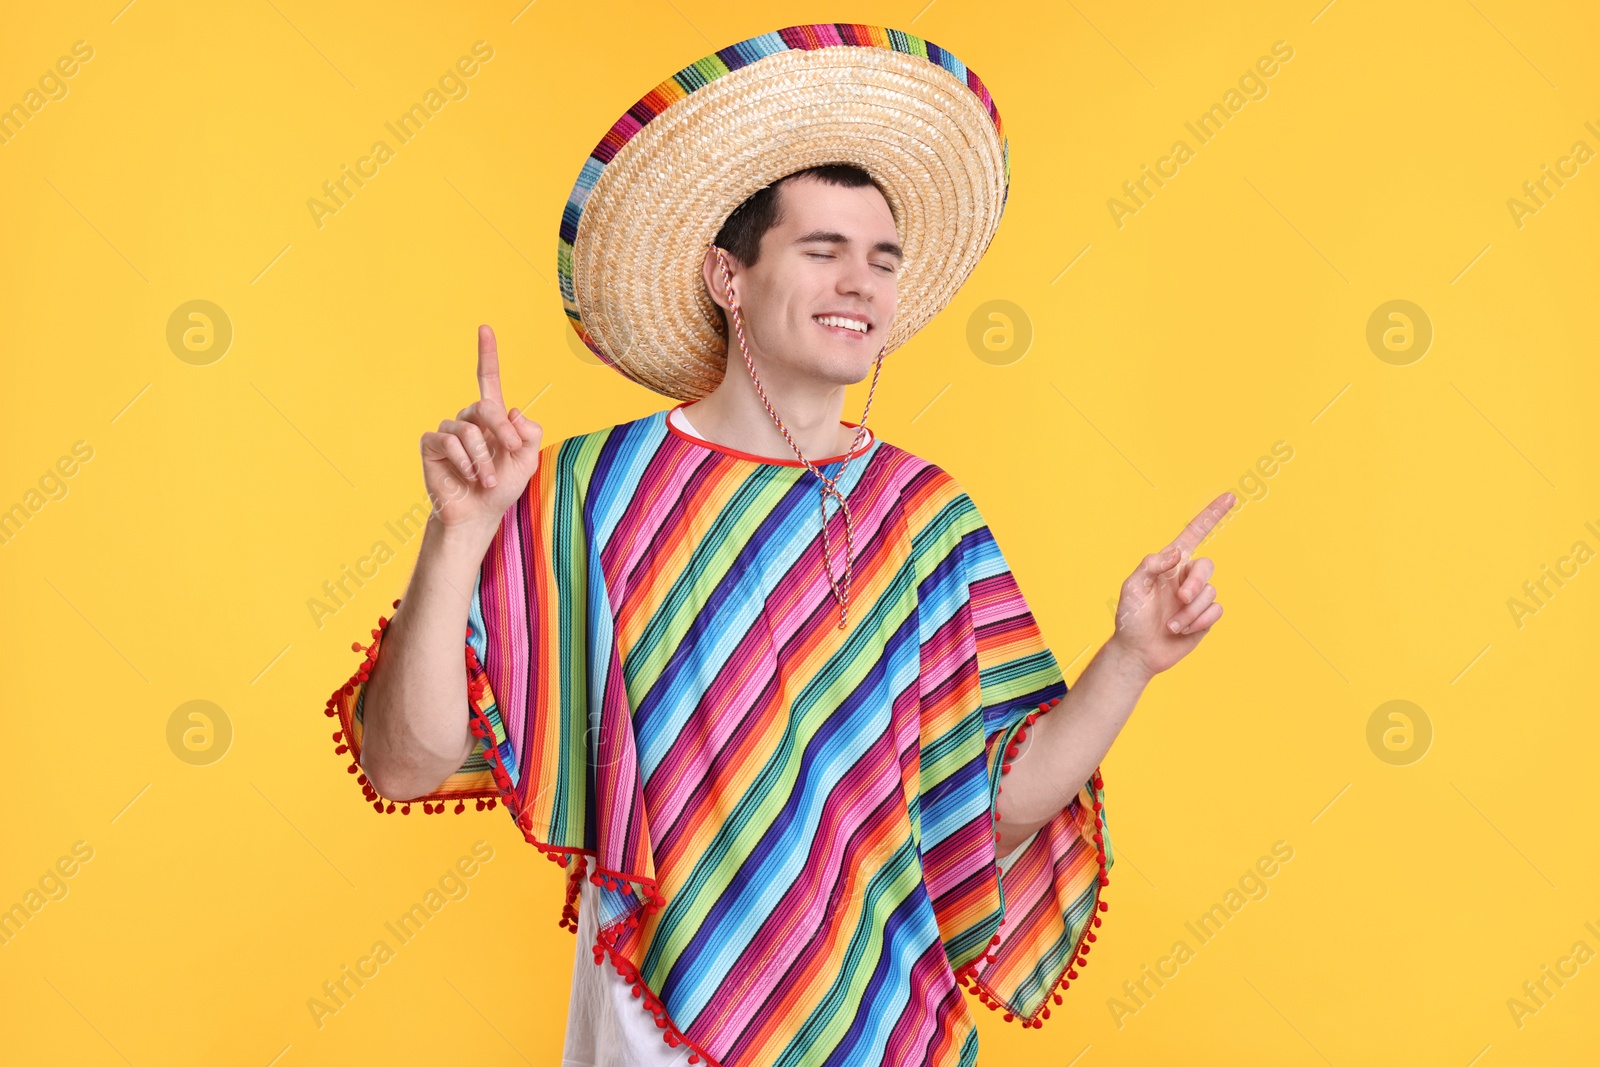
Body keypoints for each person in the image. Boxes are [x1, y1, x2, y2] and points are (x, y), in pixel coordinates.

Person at [320, 23, 1232, 1067]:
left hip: (883, 1028)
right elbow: (405, 758)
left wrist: (1129, 660)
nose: (860, 281)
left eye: (882, 259)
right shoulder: (588, 493)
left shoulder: (925, 518)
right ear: (727, 274)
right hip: (658, 1030)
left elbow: (991, 814)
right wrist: (458, 533)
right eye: (822, 249)